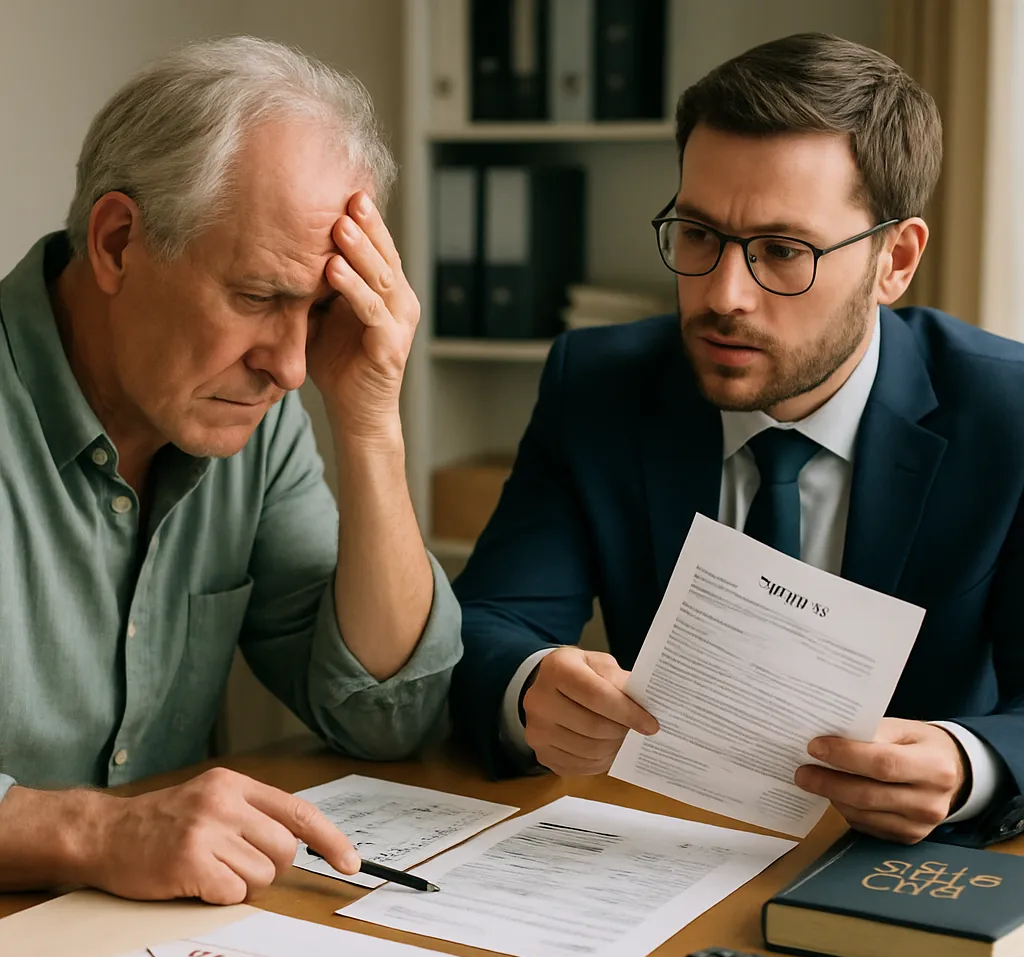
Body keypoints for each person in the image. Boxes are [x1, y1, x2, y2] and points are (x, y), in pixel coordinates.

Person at [451, 33, 1024, 848]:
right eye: (698, 234)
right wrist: (528, 686)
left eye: (783, 252)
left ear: (895, 260)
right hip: (658, 846)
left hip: (896, 867)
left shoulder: (1007, 412)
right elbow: (491, 618)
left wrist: (969, 764)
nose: (724, 296)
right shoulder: (601, 384)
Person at [0, 37, 461, 903]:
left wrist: (368, 425)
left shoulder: (256, 414)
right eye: (256, 297)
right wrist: (98, 831)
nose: (290, 366)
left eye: (319, 308)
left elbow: (383, 717)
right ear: (117, 240)